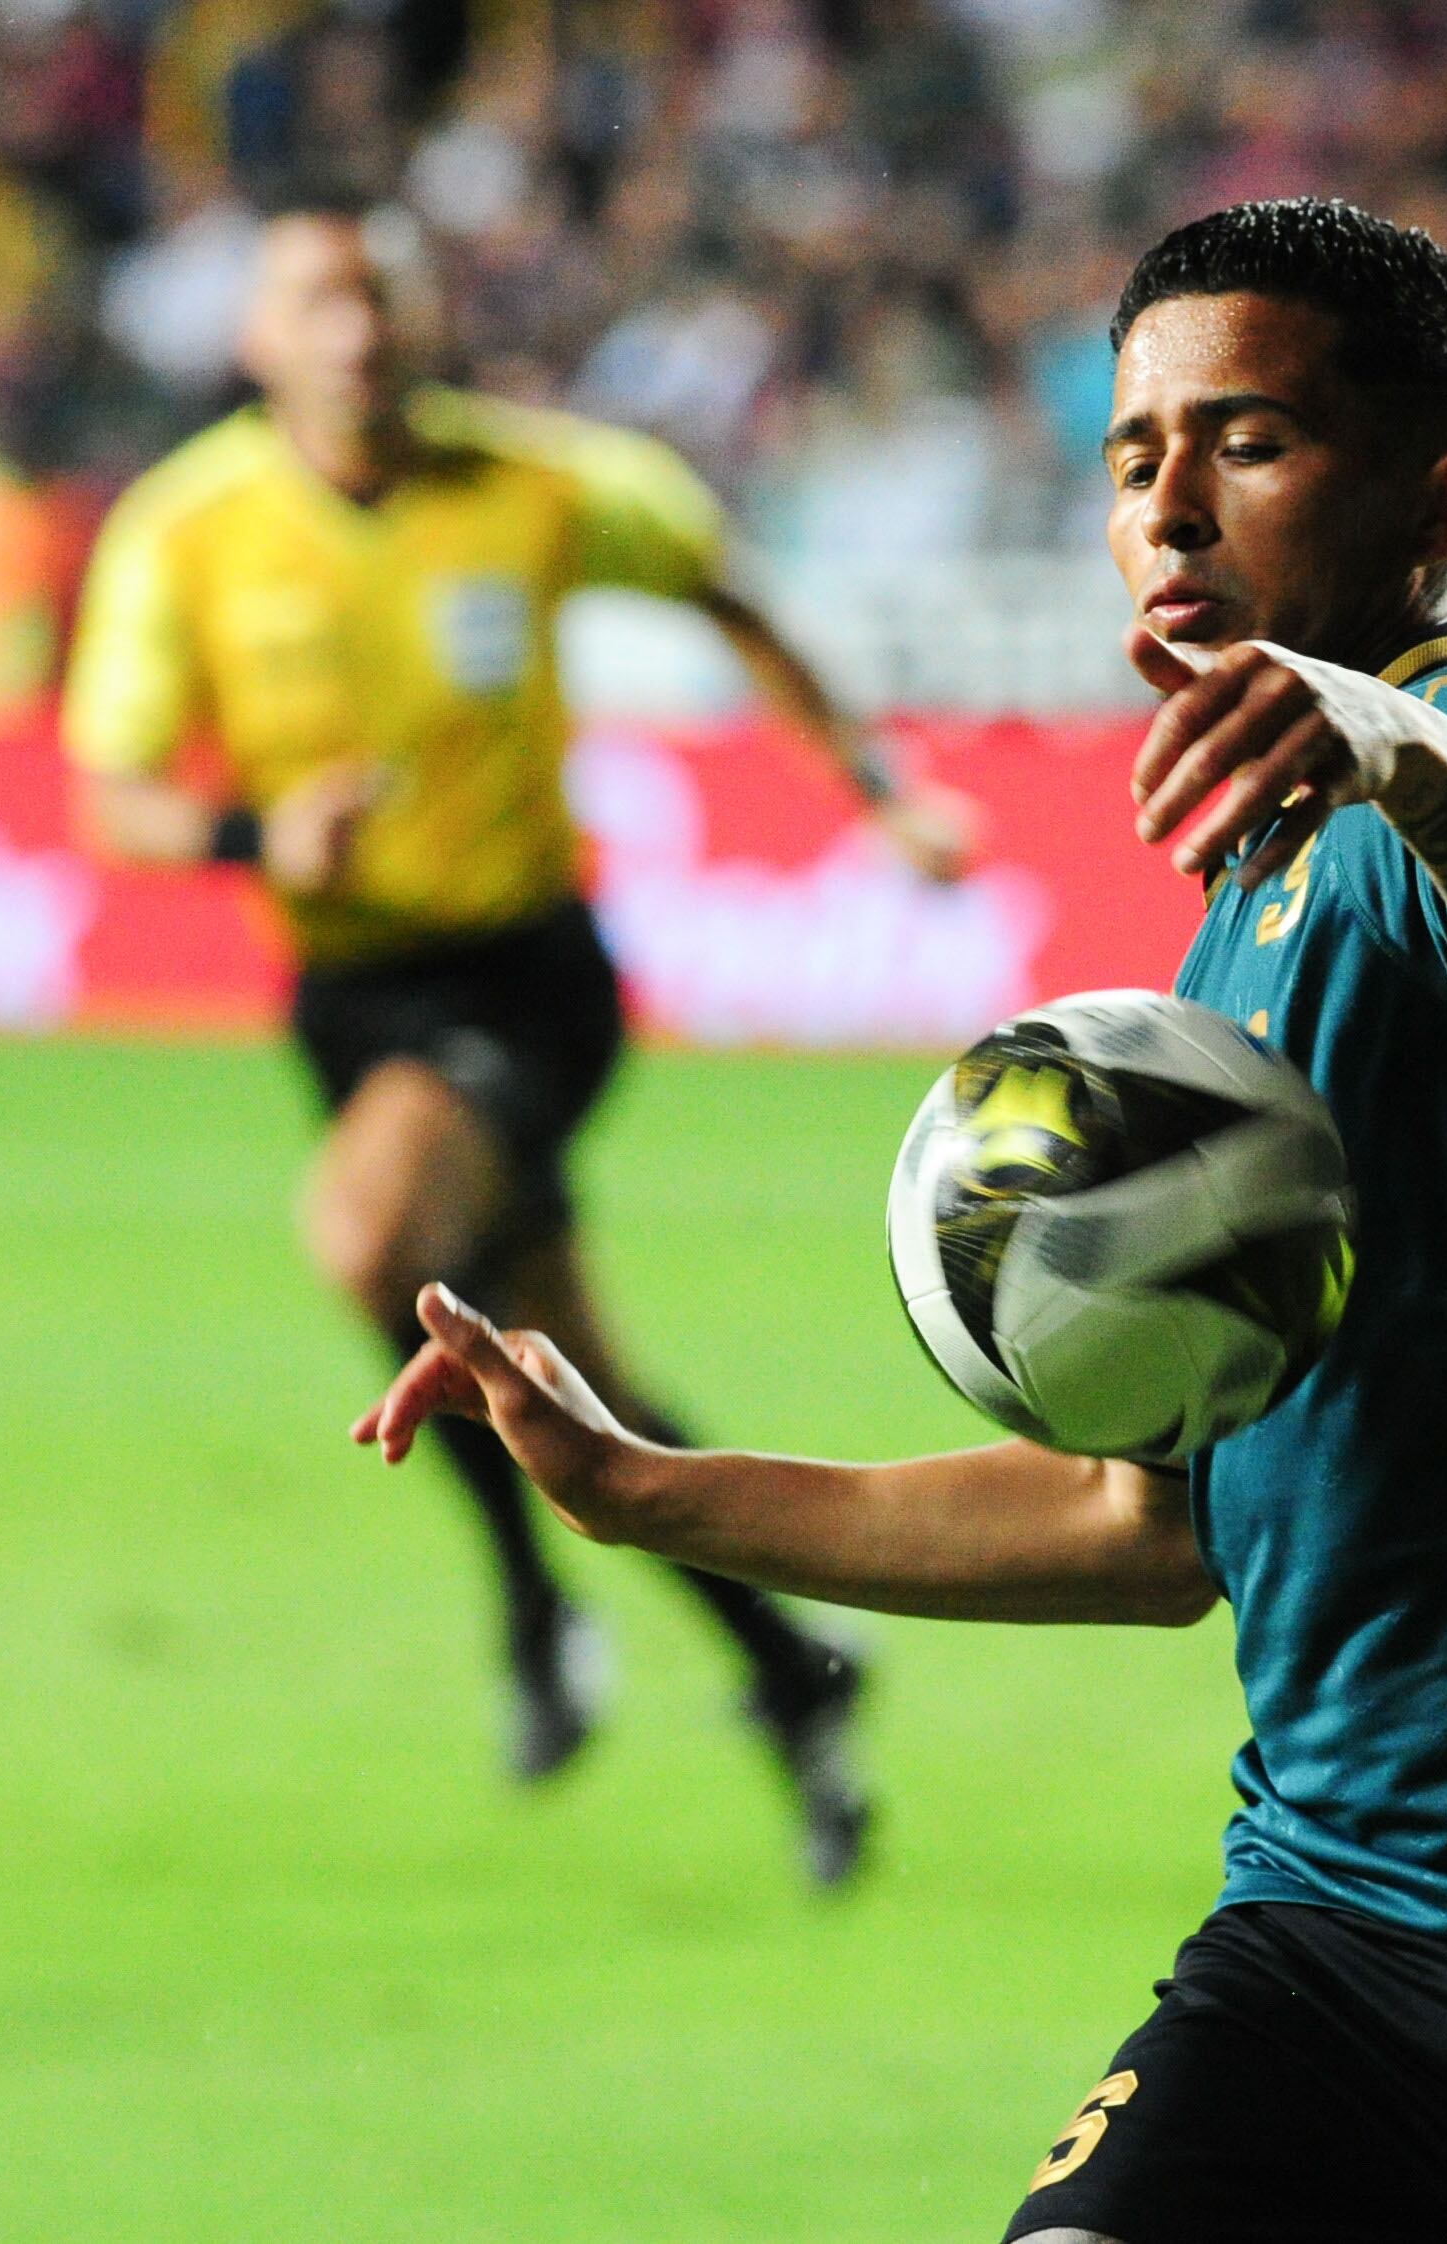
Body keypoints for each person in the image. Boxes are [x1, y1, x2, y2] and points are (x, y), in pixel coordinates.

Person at [358, 198, 1447, 2244]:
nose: (1167, 508)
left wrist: (1393, 737)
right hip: (1334, 1939)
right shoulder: (1233, 929)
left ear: (1444, 499)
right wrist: (650, 1493)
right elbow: (1146, 1526)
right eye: (1134, 457)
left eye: (1245, 443)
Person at [65, 192, 973, 1882]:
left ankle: (536, 1611)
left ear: (426, 322)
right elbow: (109, 793)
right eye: (319, 301)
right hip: (346, 997)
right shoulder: (185, 531)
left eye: (380, 297)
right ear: (259, 339)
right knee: (578, 1385)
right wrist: (259, 843)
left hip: (525, 982)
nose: (355, 330)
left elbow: (732, 595)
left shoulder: (545, 487)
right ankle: (795, 1674)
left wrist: (878, 791)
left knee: (362, 1233)